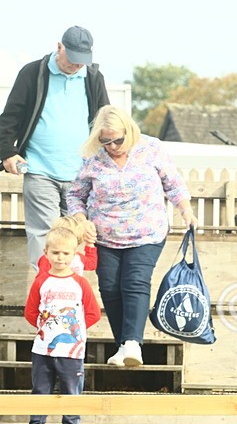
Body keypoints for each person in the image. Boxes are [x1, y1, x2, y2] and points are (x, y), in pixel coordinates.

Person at [67, 105, 195, 367]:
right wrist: (81, 220)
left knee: (135, 282)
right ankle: (123, 346)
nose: (113, 146)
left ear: (129, 130)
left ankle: (133, 343)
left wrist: (186, 211)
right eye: (106, 141)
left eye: (118, 140)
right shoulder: (93, 157)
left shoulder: (151, 148)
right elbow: (75, 195)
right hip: (105, 236)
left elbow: (173, 184)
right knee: (109, 287)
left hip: (146, 232)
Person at [0, 26, 109, 268]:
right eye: (72, 59)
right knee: (46, 237)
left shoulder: (93, 77)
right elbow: (10, 117)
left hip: (80, 175)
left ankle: (70, 289)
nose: (76, 65)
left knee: (77, 238)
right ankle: (47, 286)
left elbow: (105, 121)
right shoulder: (33, 73)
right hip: (40, 169)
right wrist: (7, 152)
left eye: (82, 60)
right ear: (59, 47)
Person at [13, 226, 101, 424]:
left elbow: (93, 314)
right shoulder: (41, 281)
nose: (60, 257)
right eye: (55, 253)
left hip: (72, 352)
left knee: (72, 392)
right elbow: (31, 312)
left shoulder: (80, 284)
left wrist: (72, 332)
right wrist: (47, 330)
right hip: (43, 349)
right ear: (46, 253)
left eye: (65, 253)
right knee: (40, 390)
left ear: (74, 255)